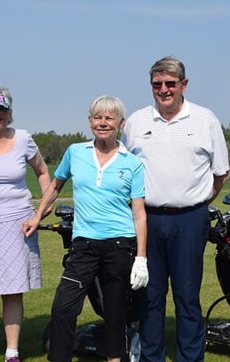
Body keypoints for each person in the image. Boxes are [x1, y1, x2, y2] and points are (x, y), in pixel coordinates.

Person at [23, 95, 149, 362]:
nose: (102, 123)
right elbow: (55, 185)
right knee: (63, 308)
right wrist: (37, 216)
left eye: (109, 118)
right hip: (84, 245)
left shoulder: (132, 163)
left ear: (120, 123)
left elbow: (138, 213)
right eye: (97, 117)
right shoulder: (75, 152)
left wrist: (141, 258)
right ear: (90, 121)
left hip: (119, 244)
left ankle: (115, 358)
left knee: (115, 313)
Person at [121, 56, 230, 362]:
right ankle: (151, 356)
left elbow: (221, 173)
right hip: (148, 220)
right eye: (158, 84)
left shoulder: (205, 120)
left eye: (171, 83)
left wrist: (198, 201)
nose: (164, 90)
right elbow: (125, 169)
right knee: (149, 296)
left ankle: (190, 357)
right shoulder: (137, 121)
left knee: (186, 295)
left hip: (190, 220)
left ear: (184, 85)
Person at [0, 87, 51, 362]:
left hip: (19, 224)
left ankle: (12, 351)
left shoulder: (24, 138)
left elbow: (42, 171)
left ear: (9, 114)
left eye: (1, 110)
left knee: (13, 290)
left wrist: (43, 208)